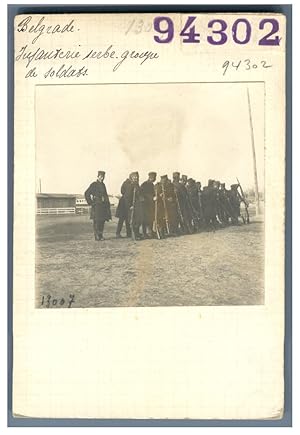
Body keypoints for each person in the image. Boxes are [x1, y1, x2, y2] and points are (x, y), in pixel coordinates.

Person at [84, 170, 112, 241]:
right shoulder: (94, 184)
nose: (102, 178)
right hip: (96, 206)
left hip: (103, 206)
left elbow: (105, 195)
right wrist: (90, 202)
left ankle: (100, 235)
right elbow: (87, 193)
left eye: (103, 177)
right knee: (97, 221)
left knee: (102, 221)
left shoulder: (103, 185)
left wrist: (107, 203)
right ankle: (96, 236)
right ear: (98, 176)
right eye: (100, 177)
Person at [123, 172, 144, 240]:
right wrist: (130, 206)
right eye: (134, 177)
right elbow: (127, 197)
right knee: (133, 221)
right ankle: (134, 234)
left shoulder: (138, 185)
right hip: (133, 206)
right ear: (131, 178)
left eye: (136, 177)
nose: (136, 178)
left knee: (138, 220)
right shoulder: (130, 186)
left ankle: (137, 233)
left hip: (138, 206)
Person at [140, 172, 157, 238]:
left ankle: (150, 231)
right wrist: (152, 198)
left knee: (150, 218)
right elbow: (142, 194)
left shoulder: (152, 184)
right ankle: (144, 233)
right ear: (151, 177)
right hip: (146, 205)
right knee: (145, 219)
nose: (154, 179)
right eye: (154, 177)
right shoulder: (144, 184)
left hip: (151, 205)